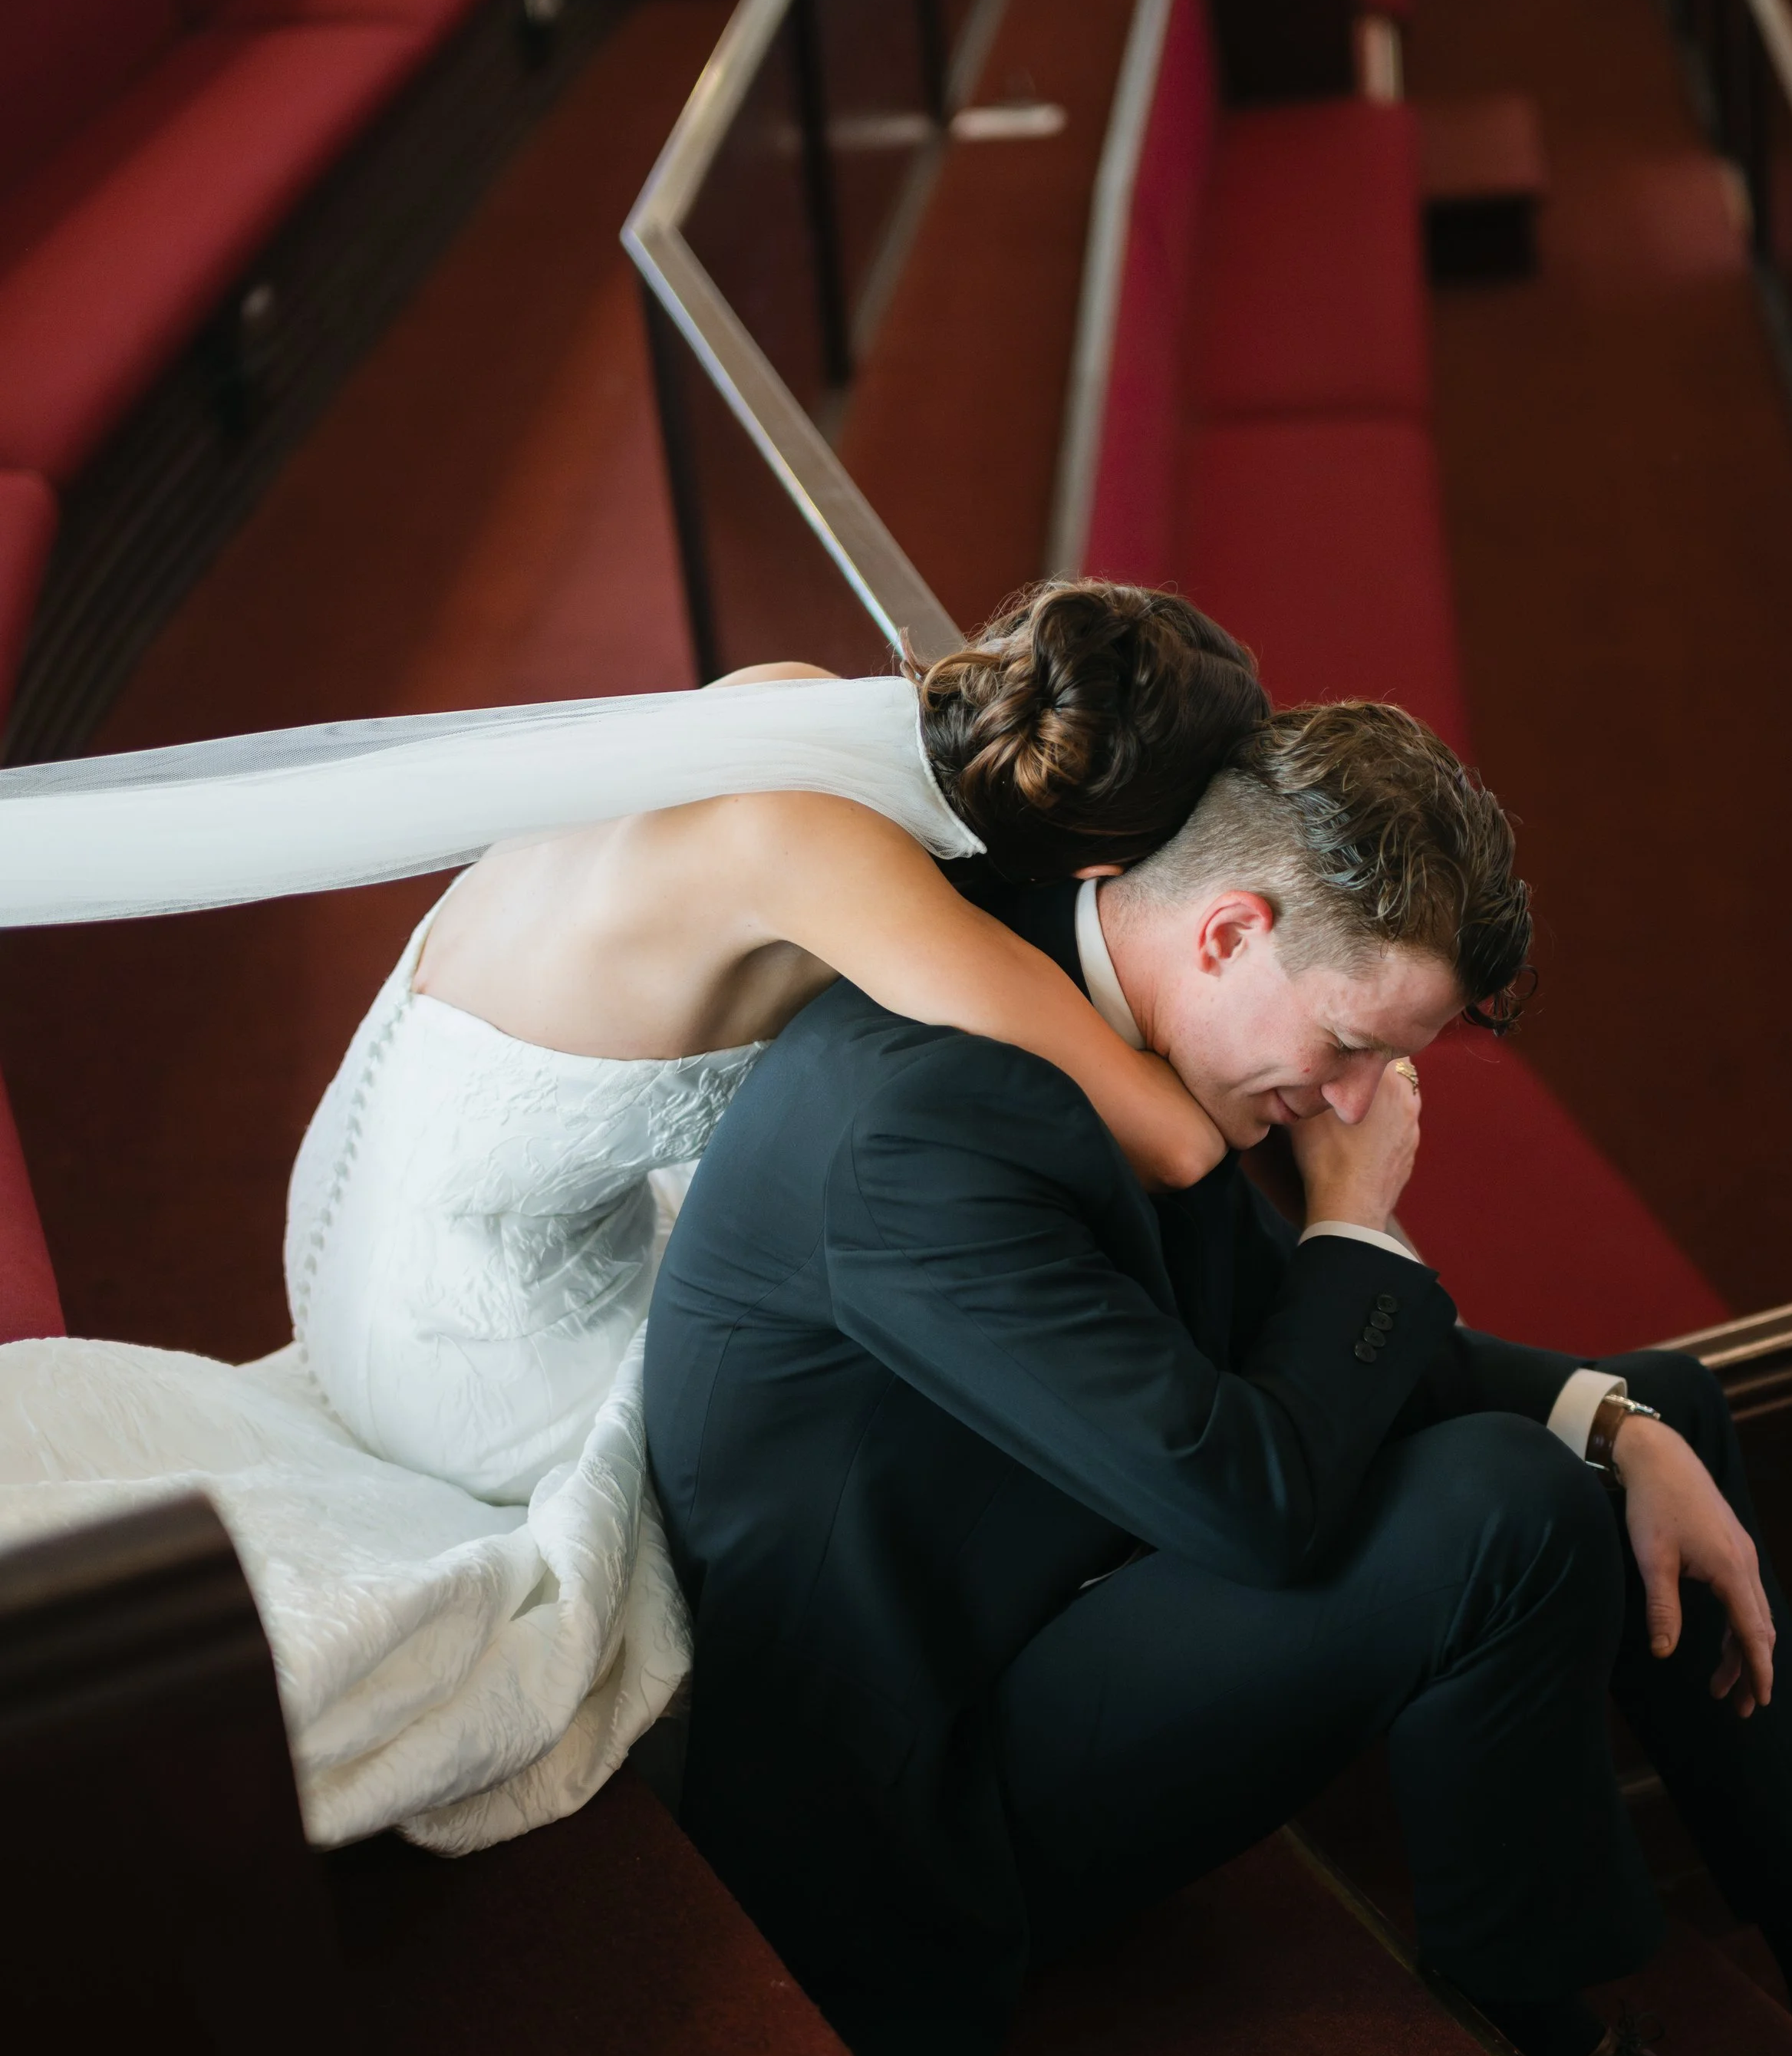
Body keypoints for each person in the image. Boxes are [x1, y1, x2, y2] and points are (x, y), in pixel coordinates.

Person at [643, 687, 1792, 2056]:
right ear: (1231, 927)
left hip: (1070, 1557)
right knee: (1500, 1514)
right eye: (1348, 1047)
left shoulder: (1103, 983)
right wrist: (1356, 1222)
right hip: (920, 1780)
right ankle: (1555, 2043)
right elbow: (1243, 1490)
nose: (1348, 1103)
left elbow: (1268, 1331)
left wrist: (1618, 1422)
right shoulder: (919, 1128)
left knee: (1650, 1412)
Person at [0, 582, 1263, 1852]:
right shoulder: (828, 856)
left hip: (360, 1186)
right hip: (462, 1351)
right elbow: (1173, 1139)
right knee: (825, 1404)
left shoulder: (792, 701)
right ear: (1109, 858)